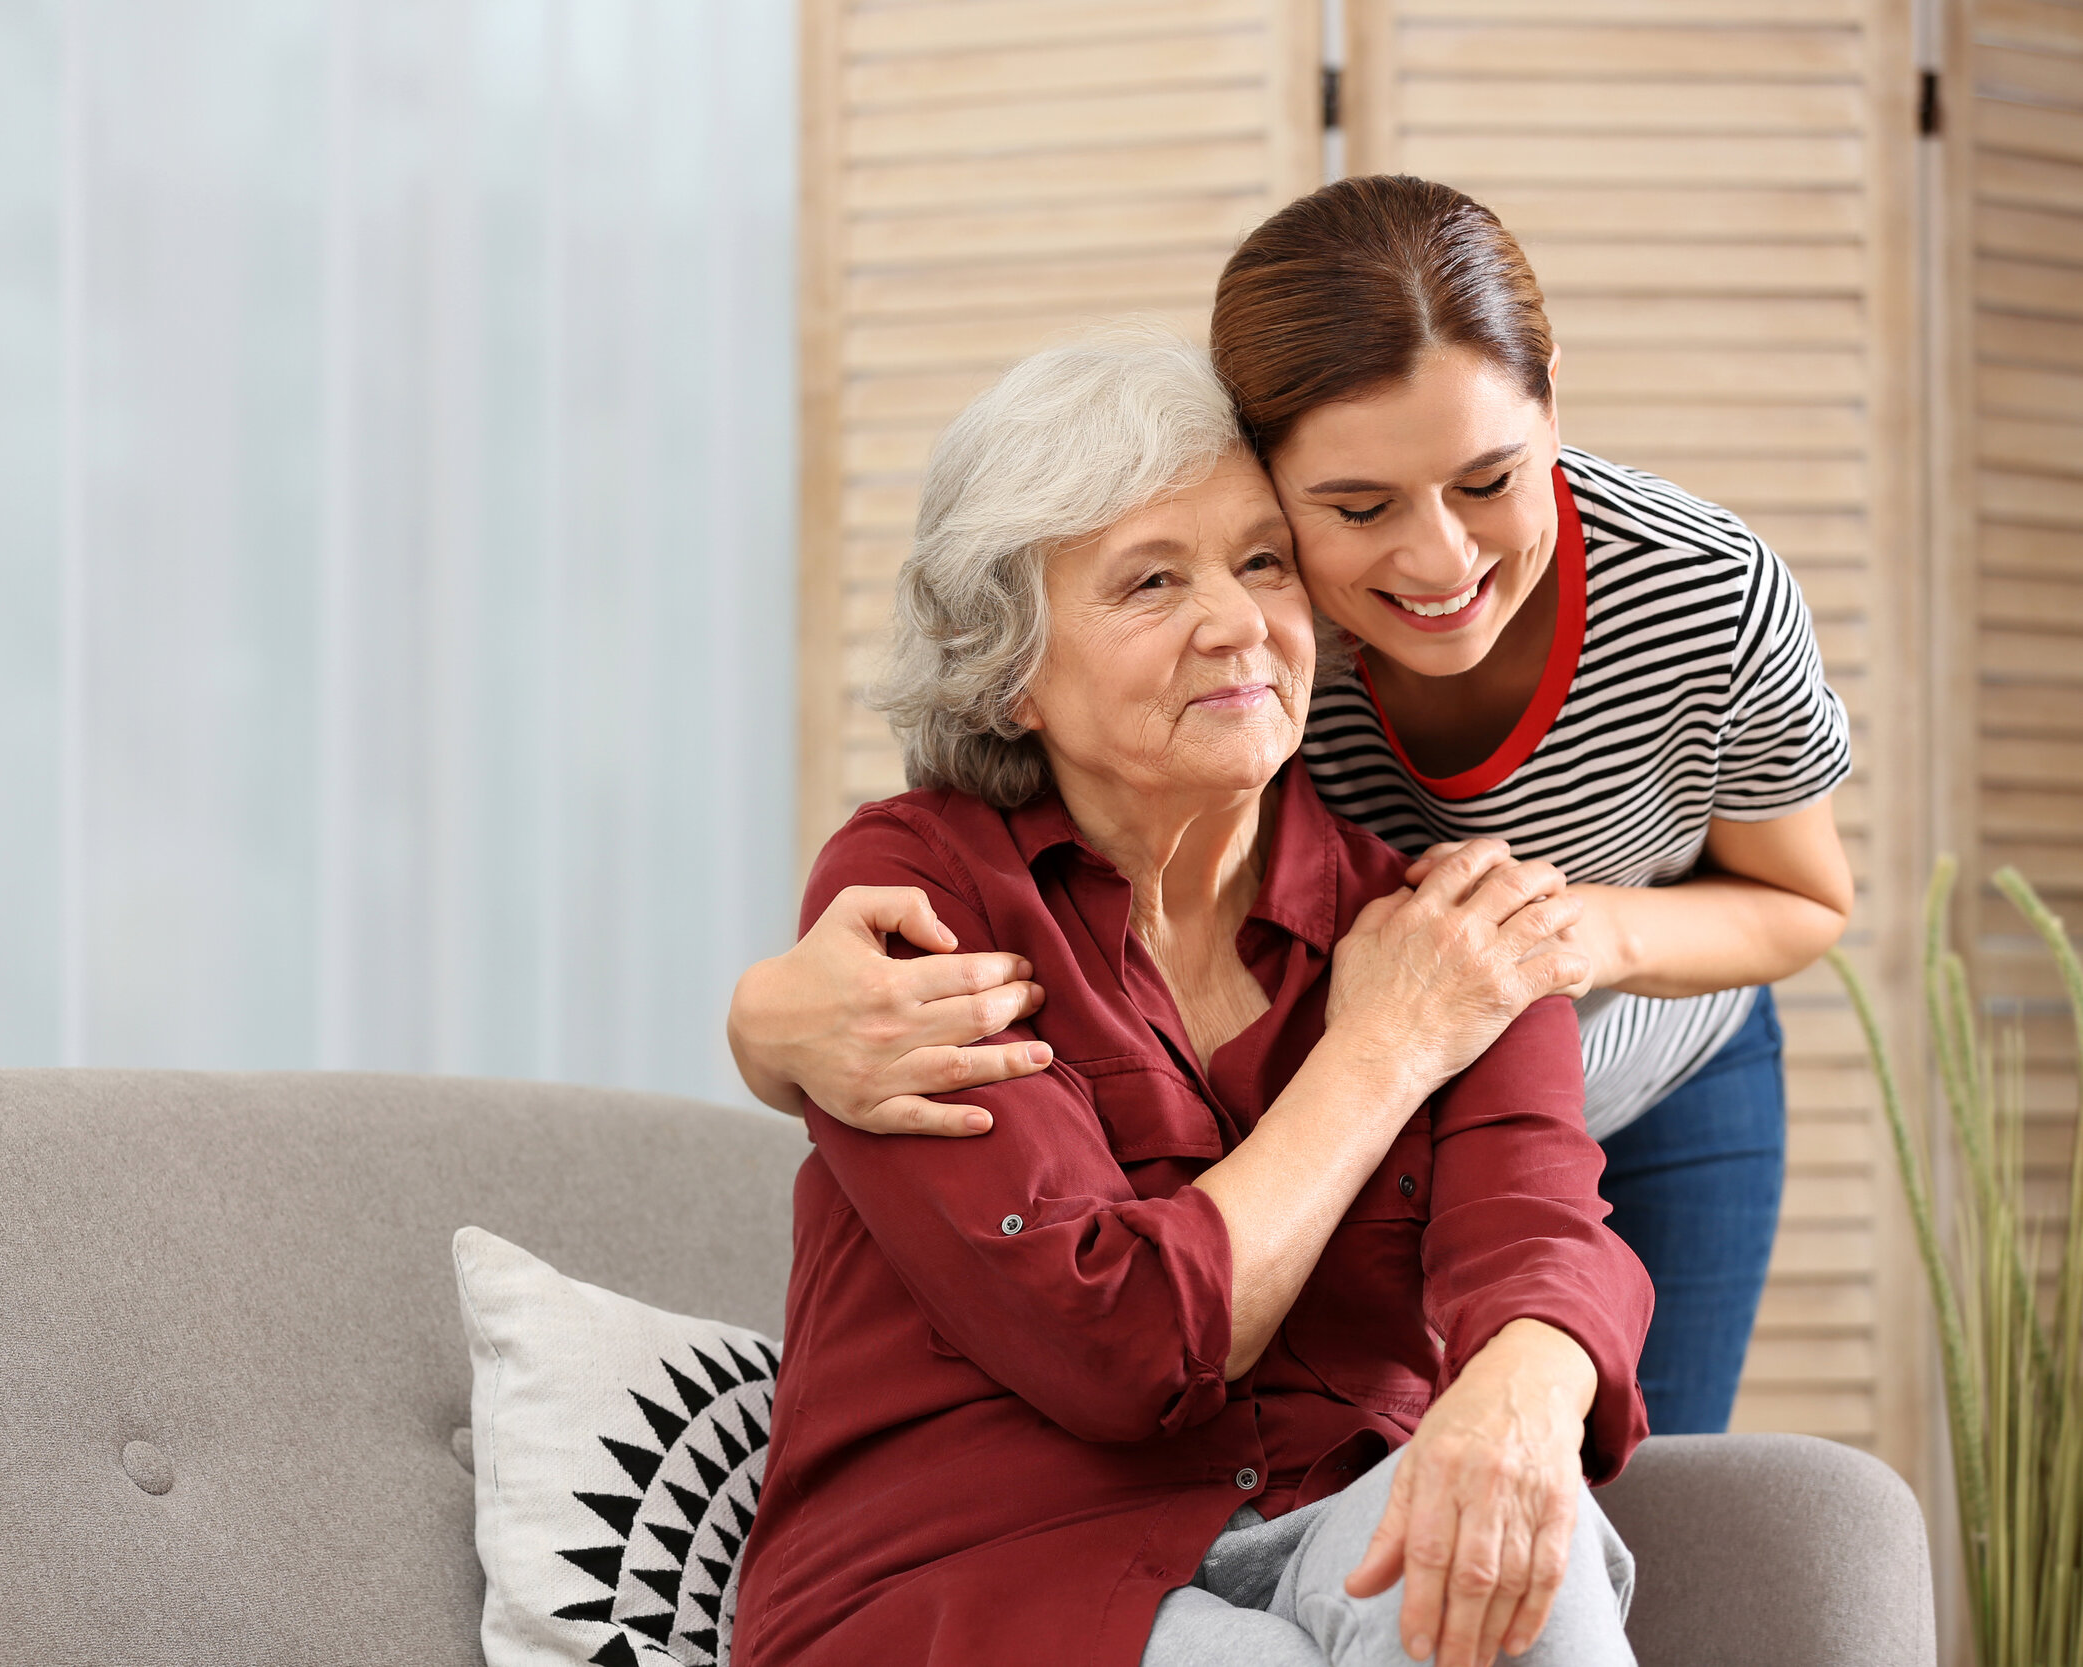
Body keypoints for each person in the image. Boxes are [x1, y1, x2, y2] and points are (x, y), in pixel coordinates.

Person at [727, 176, 1852, 1436]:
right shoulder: (1263, 630)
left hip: (1645, 1050)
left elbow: (1805, 898)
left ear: (1553, 406)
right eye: (1358, 507)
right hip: (1402, 1047)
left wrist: (1573, 936)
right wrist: (761, 1023)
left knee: (1637, 1463)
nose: (1438, 564)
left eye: (1489, 479)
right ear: (1264, 472)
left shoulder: (1702, 595)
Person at [730, 328, 1650, 1667]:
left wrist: (1522, 1388)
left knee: (1513, 1554)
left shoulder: (1440, 918)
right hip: (981, 1566)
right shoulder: (918, 893)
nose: (1237, 622)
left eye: (1262, 561)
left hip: (1334, 1505)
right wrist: (1382, 1048)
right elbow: (1117, 1343)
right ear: (1008, 669)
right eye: (1151, 580)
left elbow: (1542, 1230)